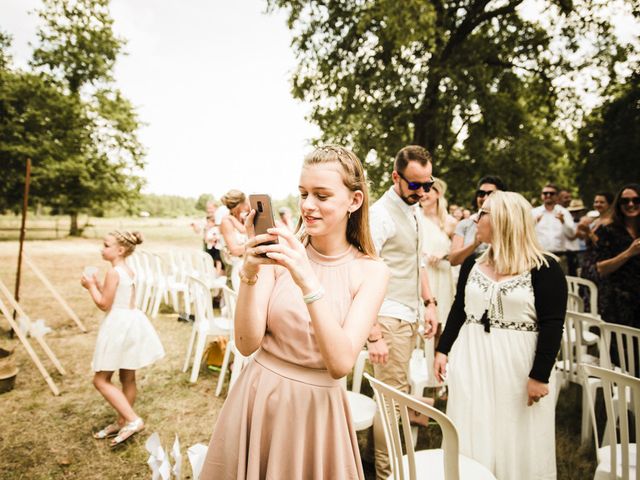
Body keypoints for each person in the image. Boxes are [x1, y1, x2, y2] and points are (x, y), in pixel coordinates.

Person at [200, 145, 389, 479]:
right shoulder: (281, 254)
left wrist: (307, 279)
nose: (307, 206)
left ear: (354, 201)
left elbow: (340, 363)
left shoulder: (372, 272)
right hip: (260, 395)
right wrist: (250, 271)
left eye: (322, 195)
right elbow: (246, 343)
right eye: (303, 193)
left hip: (316, 412)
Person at [434, 191, 566, 479]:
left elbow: (553, 324)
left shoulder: (545, 268)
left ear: (504, 220)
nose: (475, 218)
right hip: (472, 357)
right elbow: (460, 308)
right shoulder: (473, 263)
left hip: (519, 363)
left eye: (482, 213)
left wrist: (540, 375)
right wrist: (443, 350)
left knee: (516, 431)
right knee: (473, 425)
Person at [367, 145, 439, 480]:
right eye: (414, 185)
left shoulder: (414, 209)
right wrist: (374, 335)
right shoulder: (380, 215)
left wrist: (430, 303)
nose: (423, 192)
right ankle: (385, 474)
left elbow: (417, 260)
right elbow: (364, 274)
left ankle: (374, 462)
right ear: (395, 177)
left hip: (409, 313)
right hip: (388, 317)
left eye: (428, 184)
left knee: (395, 393)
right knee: (392, 400)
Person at [81, 231, 165, 447]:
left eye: (106, 245)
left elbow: (104, 305)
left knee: (100, 380)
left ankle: (133, 419)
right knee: (127, 377)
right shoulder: (127, 269)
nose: (102, 248)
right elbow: (117, 295)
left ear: (120, 250)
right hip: (132, 322)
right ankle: (122, 421)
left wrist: (90, 286)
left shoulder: (114, 272)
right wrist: (99, 286)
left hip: (118, 326)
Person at [418, 177, 457, 389]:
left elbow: (458, 251)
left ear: (437, 194)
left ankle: (438, 377)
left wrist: (443, 253)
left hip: (441, 274)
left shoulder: (449, 222)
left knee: (440, 324)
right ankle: (418, 375)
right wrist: (424, 254)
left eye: (428, 191)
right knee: (423, 323)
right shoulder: (415, 217)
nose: (423, 195)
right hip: (424, 275)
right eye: (422, 191)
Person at [596, 184, 640, 333]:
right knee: (623, 353)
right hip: (618, 302)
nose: (631, 204)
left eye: (636, 200)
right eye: (625, 201)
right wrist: (629, 252)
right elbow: (601, 268)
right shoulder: (607, 230)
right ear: (618, 204)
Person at [449, 176, 506, 266]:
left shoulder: (508, 225)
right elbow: (452, 260)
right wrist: (474, 244)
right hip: (467, 276)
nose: (485, 197)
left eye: (491, 194)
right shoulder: (465, 224)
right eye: (481, 193)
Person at [532, 183, 577, 272]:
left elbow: (572, 235)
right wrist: (533, 223)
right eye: (545, 193)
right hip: (539, 257)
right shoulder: (533, 212)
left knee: (561, 284)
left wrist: (563, 222)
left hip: (560, 256)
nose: (548, 195)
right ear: (541, 195)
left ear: (557, 196)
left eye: (551, 193)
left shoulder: (564, 212)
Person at [577, 192, 614, 290]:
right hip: (588, 263)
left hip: (602, 264)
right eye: (596, 202)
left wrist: (588, 231)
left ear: (610, 204)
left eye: (602, 202)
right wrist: (583, 231)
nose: (598, 204)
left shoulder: (612, 222)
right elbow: (588, 243)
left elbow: (603, 245)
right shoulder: (595, 221)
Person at [218, 190, 250, 290]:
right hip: (234, 268)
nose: (247, 204)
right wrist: (254, 245)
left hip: (245, 264)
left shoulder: (242, 218)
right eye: (246, 202)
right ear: (239, 205)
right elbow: (234, 250)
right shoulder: (226, 221)